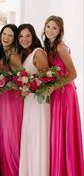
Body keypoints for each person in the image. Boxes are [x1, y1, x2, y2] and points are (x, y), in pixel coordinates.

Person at [42, 15, 84, 176]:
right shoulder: (48, 46)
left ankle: (67, 170)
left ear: (60, 31)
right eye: (48, 26)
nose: (50, 30)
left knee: (64, 131)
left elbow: (73, 74)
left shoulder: (59, 47)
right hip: (56, 92)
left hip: (65, 93)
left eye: (54, 28)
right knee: (56, 131)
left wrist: (53, 87)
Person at [17, 23, 50, 176]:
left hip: (39, 102)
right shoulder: (25, 54)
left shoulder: (38, 53)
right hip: (29, 102)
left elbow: (46, 80)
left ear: (33, 36)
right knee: (29, 137)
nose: (24, 39)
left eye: (28, 36)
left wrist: (28, 87)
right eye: (21, 36)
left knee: (37, 138)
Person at [0, 24, 23, 176]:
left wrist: (5, 85)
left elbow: (23, 79)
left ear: (14, 39)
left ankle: (13, 171)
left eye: (10, 36)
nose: (6, 38)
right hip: (2, 100)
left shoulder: (13, 56)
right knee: (3, 137)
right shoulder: (2, 53)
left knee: (10, 139)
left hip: (12, 100)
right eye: (4, 34)